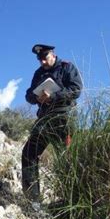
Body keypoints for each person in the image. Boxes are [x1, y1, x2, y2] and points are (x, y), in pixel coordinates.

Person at [22, 44, 83, 203]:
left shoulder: (67, 67)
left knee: (65, 159)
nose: (42, 62)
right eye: (39, 59)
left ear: (53, 54)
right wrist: (36, 97)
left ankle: (70, 202)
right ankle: (33, 201)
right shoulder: (38, 73)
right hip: (43, 119)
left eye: (45, 58)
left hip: (63, 118)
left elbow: (76, 90)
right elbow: (28, 95)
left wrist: (54, 96)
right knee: (29, 153)